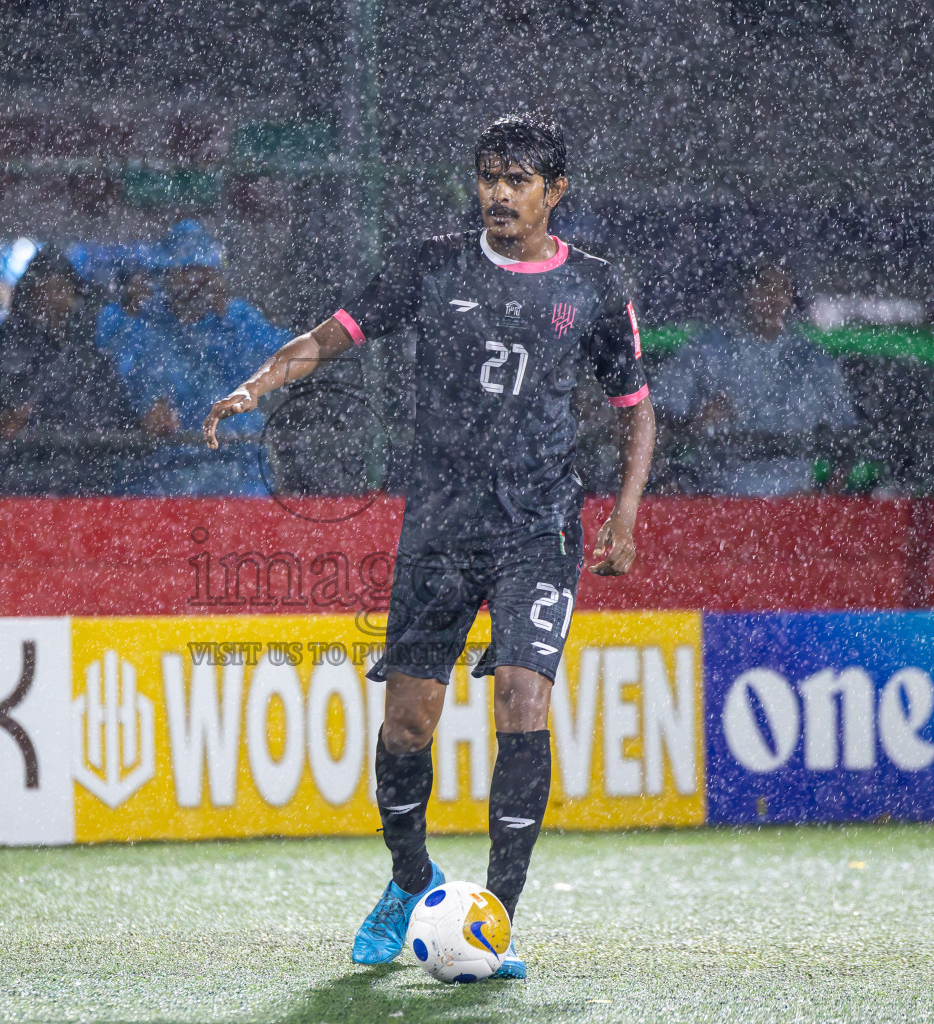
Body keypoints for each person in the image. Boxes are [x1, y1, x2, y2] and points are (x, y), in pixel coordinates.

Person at [204, 113, 655, 978]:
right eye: (489, 175)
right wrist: (260, 383)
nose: (498, 192)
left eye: (519, 179)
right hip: (441, 531)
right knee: (408, 720)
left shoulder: (596, 286)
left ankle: (498, 918)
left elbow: (636, 410)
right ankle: (410, 880)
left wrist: (626, 514)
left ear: (555, 192)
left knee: (524, 696)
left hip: (539, 527)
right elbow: (330, 336)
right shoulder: (428, 264)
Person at [651, 259, 856, 495]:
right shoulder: (706, 350)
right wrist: (694, 423)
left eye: (783, 289)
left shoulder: (813, 361)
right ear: (745, 292)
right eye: (765, 286)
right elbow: (656, 423)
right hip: (716, 501)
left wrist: (823, 502)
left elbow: (849, 440)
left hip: (794, 503)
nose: (775, 298)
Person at [110, 221, 287, 494]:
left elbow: (289, 356)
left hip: (244, 472)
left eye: (204, 274)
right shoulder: (146, 327)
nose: (195, 284)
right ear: (166, 277)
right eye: (186, 273)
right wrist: (149, 408)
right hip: (171, 476)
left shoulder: (238, 319)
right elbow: (128, 373)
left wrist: (228, 317)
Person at [0, 246, 137, 493]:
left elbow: (123, 431)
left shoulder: (92, 360)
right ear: (26, 295)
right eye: (47, 289)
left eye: (63, 290)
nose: (57, 300)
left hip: (85, 498)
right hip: (8, 495)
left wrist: (146, 428)